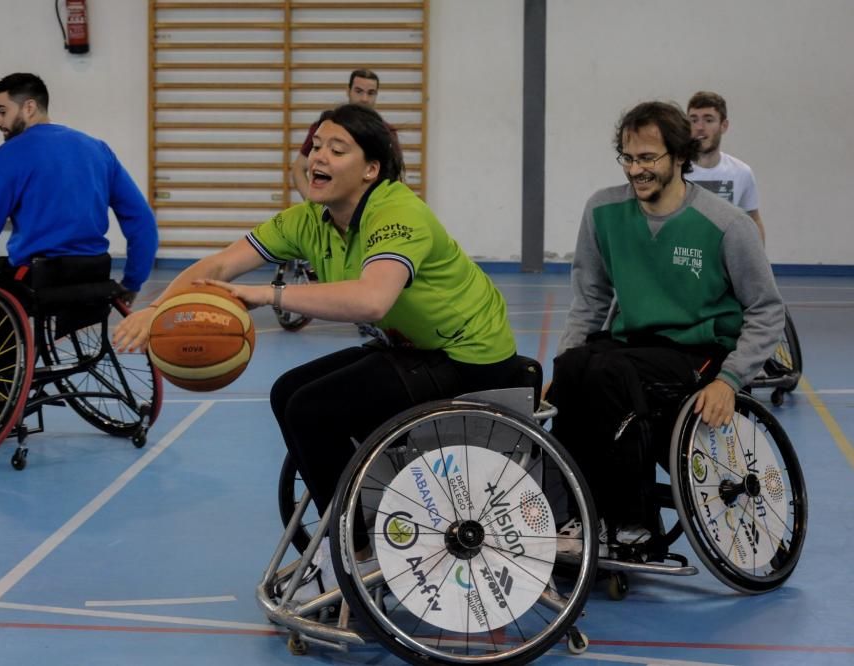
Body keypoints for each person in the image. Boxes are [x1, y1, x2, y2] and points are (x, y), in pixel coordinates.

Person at [114, 103, 541, 592]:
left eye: (337, 149)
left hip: (472, 359)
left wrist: (269, 294)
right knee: (287, 392)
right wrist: (158, 309)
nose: (319, 156)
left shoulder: (398, 213)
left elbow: (373, 299)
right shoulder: (308, 221)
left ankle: (357, 552)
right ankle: (357, 535)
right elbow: (220, 265)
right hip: (414, 351)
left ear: (371, 169)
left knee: (314, 409)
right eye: (316, 146)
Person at [547, 101, 784, 550]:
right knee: (574, 370)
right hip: (633, 343)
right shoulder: (603, 210)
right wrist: (561, 369)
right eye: (629, 157)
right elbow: (591, 299)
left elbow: (767, 310)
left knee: (608, 374)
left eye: (648, 158)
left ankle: (634, 520)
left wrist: (730, 380)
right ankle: (579, 515)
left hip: (699, 351)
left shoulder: (726, 225)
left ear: (679, 157)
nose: (636, 169)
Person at [0, 72, 158, 327]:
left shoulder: (11, 154)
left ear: (29, 107)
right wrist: (132, 281)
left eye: (2, 111)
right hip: (94, 275)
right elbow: (141, 220)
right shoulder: (97, 149)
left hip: (37, 279)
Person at [289, 69, 402, 200]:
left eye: (371, 93)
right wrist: (313, 204)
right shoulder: (324, 127)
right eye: (358, 91)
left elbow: (394, 177)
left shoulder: (387, 132)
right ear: (348, 91)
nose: (364, 99)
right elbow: (298, 169)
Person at [684, 91, 765, 243]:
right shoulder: (673, 170)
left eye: (708, 120)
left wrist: (758, 262)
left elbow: (753, 220)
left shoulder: (741, 173)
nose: (700, 127)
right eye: (693, 120)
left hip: (724, 261)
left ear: (724, 126)